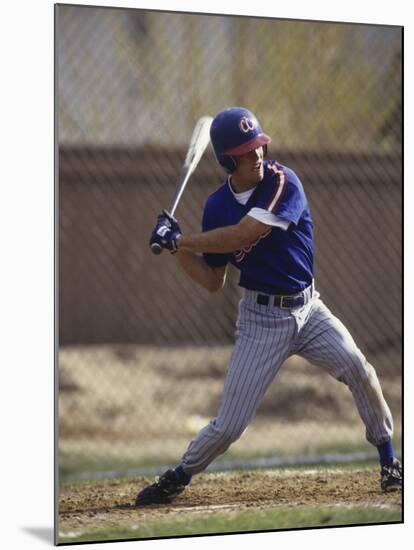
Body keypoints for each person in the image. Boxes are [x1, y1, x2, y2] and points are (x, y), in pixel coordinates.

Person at [136, 107, 402, 506]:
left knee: (359, 368)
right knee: (229, 427)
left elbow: (245, 233)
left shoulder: (282, 181)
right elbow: (212, 281)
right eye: (246, 151)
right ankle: (179, 474)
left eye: (258, 145)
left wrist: (182, 240)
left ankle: (389, 460)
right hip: (261, 320)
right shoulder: (216, 207)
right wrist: (176, 249)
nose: (257, 154)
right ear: (227, 160)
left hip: (309, 310)